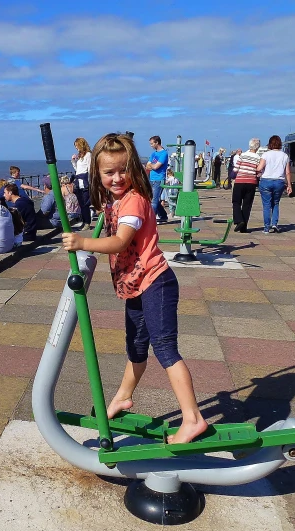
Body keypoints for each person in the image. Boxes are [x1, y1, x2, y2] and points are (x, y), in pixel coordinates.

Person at [61, 132, 208, 445]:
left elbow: (120, 241)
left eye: (123, 170)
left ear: (135, 169)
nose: (117, 178)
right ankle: (122, 398)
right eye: (108, 172)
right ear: (97, 175)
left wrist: (83, 242)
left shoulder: (135, 202)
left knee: (165, 349)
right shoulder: (114, 202)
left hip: (156, 283)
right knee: (136, 348)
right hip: (136, 288)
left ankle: (193, 418)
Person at [257, 135, 292, 234]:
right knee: (276, 203)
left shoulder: (266, 155)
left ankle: (266, 228)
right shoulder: (284, 156)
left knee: (266, 205)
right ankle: (274, 224)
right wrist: (289, 185)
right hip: (279, 181)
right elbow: (287, 172)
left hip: (266, 181)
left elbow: (259, 168)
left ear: (270, 144)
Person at [232, 138, 263, 233]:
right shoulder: (258, 158)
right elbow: (259, 171)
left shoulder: (243, 155)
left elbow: (236, 169)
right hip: (251, 183)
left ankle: (238, 220)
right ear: (257, 147)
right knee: (247, 204)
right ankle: (243, 227)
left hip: (240, 181)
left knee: (236, 202)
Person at [145, 135, 169, 223]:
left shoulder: (164, 154)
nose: (151, 145)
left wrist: (152, 166)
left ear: (157, 142)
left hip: (159, 179)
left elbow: (155, 166)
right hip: (151, 178)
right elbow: (148, 166)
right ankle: (163, 215)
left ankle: (151, 221)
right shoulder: (153, 154)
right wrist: (152, 166)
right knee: (154, 198)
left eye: (152, 143)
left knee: (153, 201)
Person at [71, 137, 93, 229]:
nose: (76, 147)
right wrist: (73, 161)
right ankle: (84, 222)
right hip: (78, 182)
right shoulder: (80, 156)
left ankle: (87, 222)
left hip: (84, 182)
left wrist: (90, 183)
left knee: (85, 204)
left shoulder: (88, 155)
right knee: (81, 204)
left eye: (77, 145)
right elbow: (78, 170)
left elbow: (90, 169)